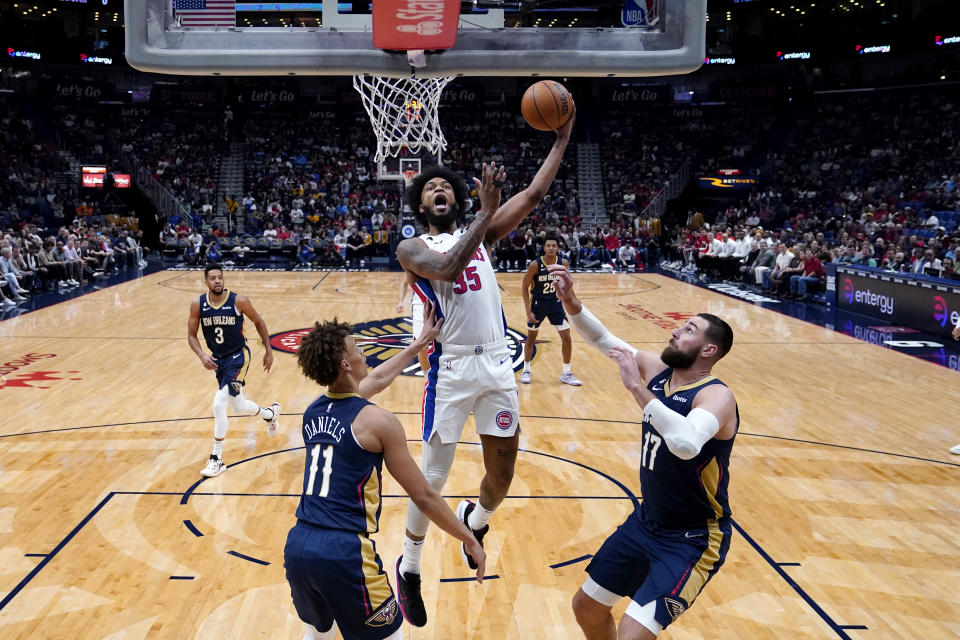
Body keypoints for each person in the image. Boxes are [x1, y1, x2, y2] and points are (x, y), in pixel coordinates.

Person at [394, 113, 574, 628]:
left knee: (502, 475)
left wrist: (561, 138)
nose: (437, 190)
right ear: (422, 206)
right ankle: (409, 568)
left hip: (496, 364)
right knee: (433, 476)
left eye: (444, 185)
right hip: (449, 372)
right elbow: (449, 269)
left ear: (456, 198)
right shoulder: (412, 248)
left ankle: (478, 519)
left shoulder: (483, 235)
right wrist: (485, 216)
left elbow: (535, 195)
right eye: (429, 188)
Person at [547, 263, 740, 640]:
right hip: (646, 522)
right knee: (586, 607)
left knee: (633, 633)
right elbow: (604, 340)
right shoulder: (658, 370)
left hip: (693, 538)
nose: (674, 331)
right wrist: (571, 301)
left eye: (688, 331)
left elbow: (685, 445)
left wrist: (638, 390)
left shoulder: (716, 396)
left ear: (708, 349)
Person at [284, 313, 484, 640]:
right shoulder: (379, 423)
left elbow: (374, 381)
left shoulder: (313, 412)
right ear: (346, 365)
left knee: (318, 634)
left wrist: (419, 343)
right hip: (343, 551)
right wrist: (469, 537)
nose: (362, 352)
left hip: (298, 548)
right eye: (356, 349)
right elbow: (424, 496)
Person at [187, 263, 280, 478]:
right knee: (238, 406)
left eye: (220, 277)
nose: (217, 281)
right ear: (206, 282)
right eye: (213, 278)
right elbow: (191, 335)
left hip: (239, 357)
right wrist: (202, 355)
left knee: (219, 403)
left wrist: (268, 349)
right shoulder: (197, 304)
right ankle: (271, 414)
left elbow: (258, 321)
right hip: (218, 361)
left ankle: (216, 458)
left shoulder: (239, 301)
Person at [520, 234, 581, 386]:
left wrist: (572, 301)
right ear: (544, 247)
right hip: (538, 305)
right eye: (548, 246)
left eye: (554, 246)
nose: (551, 248)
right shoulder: (535, 265)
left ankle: (566, 373)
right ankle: (526, 369)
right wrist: (528, 311)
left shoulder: (563, 263)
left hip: (555, 305)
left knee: (567, 337)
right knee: (531, 339)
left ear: (558, 248)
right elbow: (524, 286)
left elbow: (567, 285)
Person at [396, 272, 430, 373]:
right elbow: (404, 283)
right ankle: (428, 380)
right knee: (422, 347)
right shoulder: (415, 260)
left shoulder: (443, 257)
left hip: (442, 302)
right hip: (420, 305)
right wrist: (400, 301)